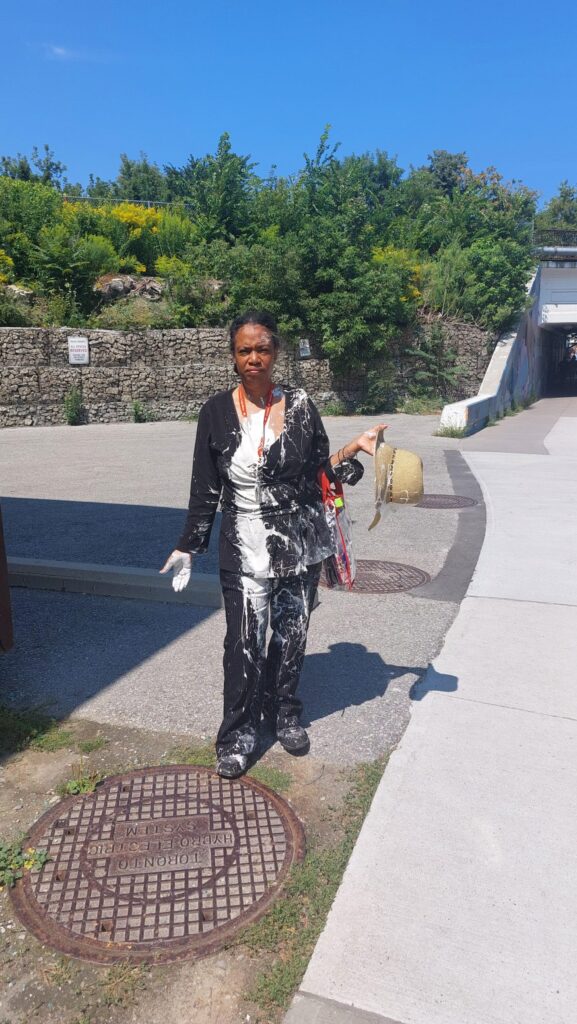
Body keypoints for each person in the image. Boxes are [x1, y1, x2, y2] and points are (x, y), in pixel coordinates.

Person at [161, 311, 385, 779]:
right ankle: (238, 733)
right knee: (243, 643)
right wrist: (188, 544)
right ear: (233, 357)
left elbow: (317, 470)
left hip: (297, 544)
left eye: (262, 348)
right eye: (244, 350)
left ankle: (284, 712)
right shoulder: (216, 412)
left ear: (276, 353)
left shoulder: (302, 406)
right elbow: (205, 488)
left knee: (291, 636)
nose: (254, 358)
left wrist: (353, 450)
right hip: (243, 549)